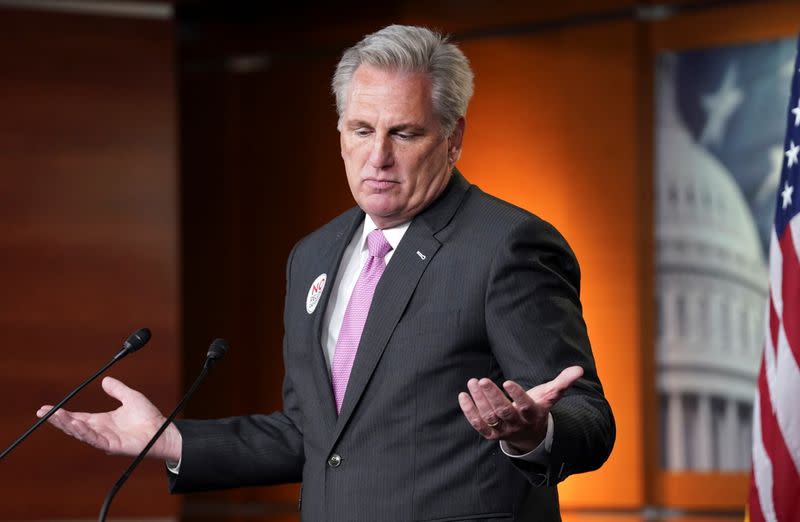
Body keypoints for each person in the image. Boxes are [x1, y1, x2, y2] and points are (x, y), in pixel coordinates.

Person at [38, 24, 615, 521]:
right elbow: (314, 433)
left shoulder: (506, 245)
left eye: (404, 133)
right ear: (340, 134)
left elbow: (587, 417)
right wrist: (170, 441)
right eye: (362, 130)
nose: (378, 157)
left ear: (453, 138)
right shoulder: (315, 254)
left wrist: (533, 431)